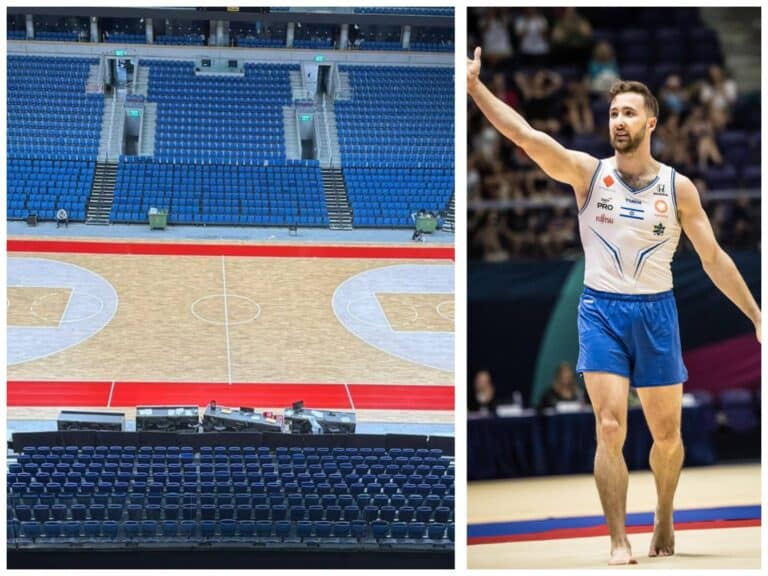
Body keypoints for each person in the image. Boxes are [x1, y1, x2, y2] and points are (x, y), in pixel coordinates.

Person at [468, 47, 761, 565]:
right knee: (608, 425)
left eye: (627, 113)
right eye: (612, 113)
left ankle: (665, 513)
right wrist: (475, 88)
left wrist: (758, 318)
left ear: (650, 122)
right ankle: (618, 537)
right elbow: (524, 136)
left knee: (667, 438)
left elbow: (714, 259)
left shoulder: (679, 188)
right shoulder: (587, 174)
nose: (617, 121)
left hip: (656, 313)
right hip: (601, 310)